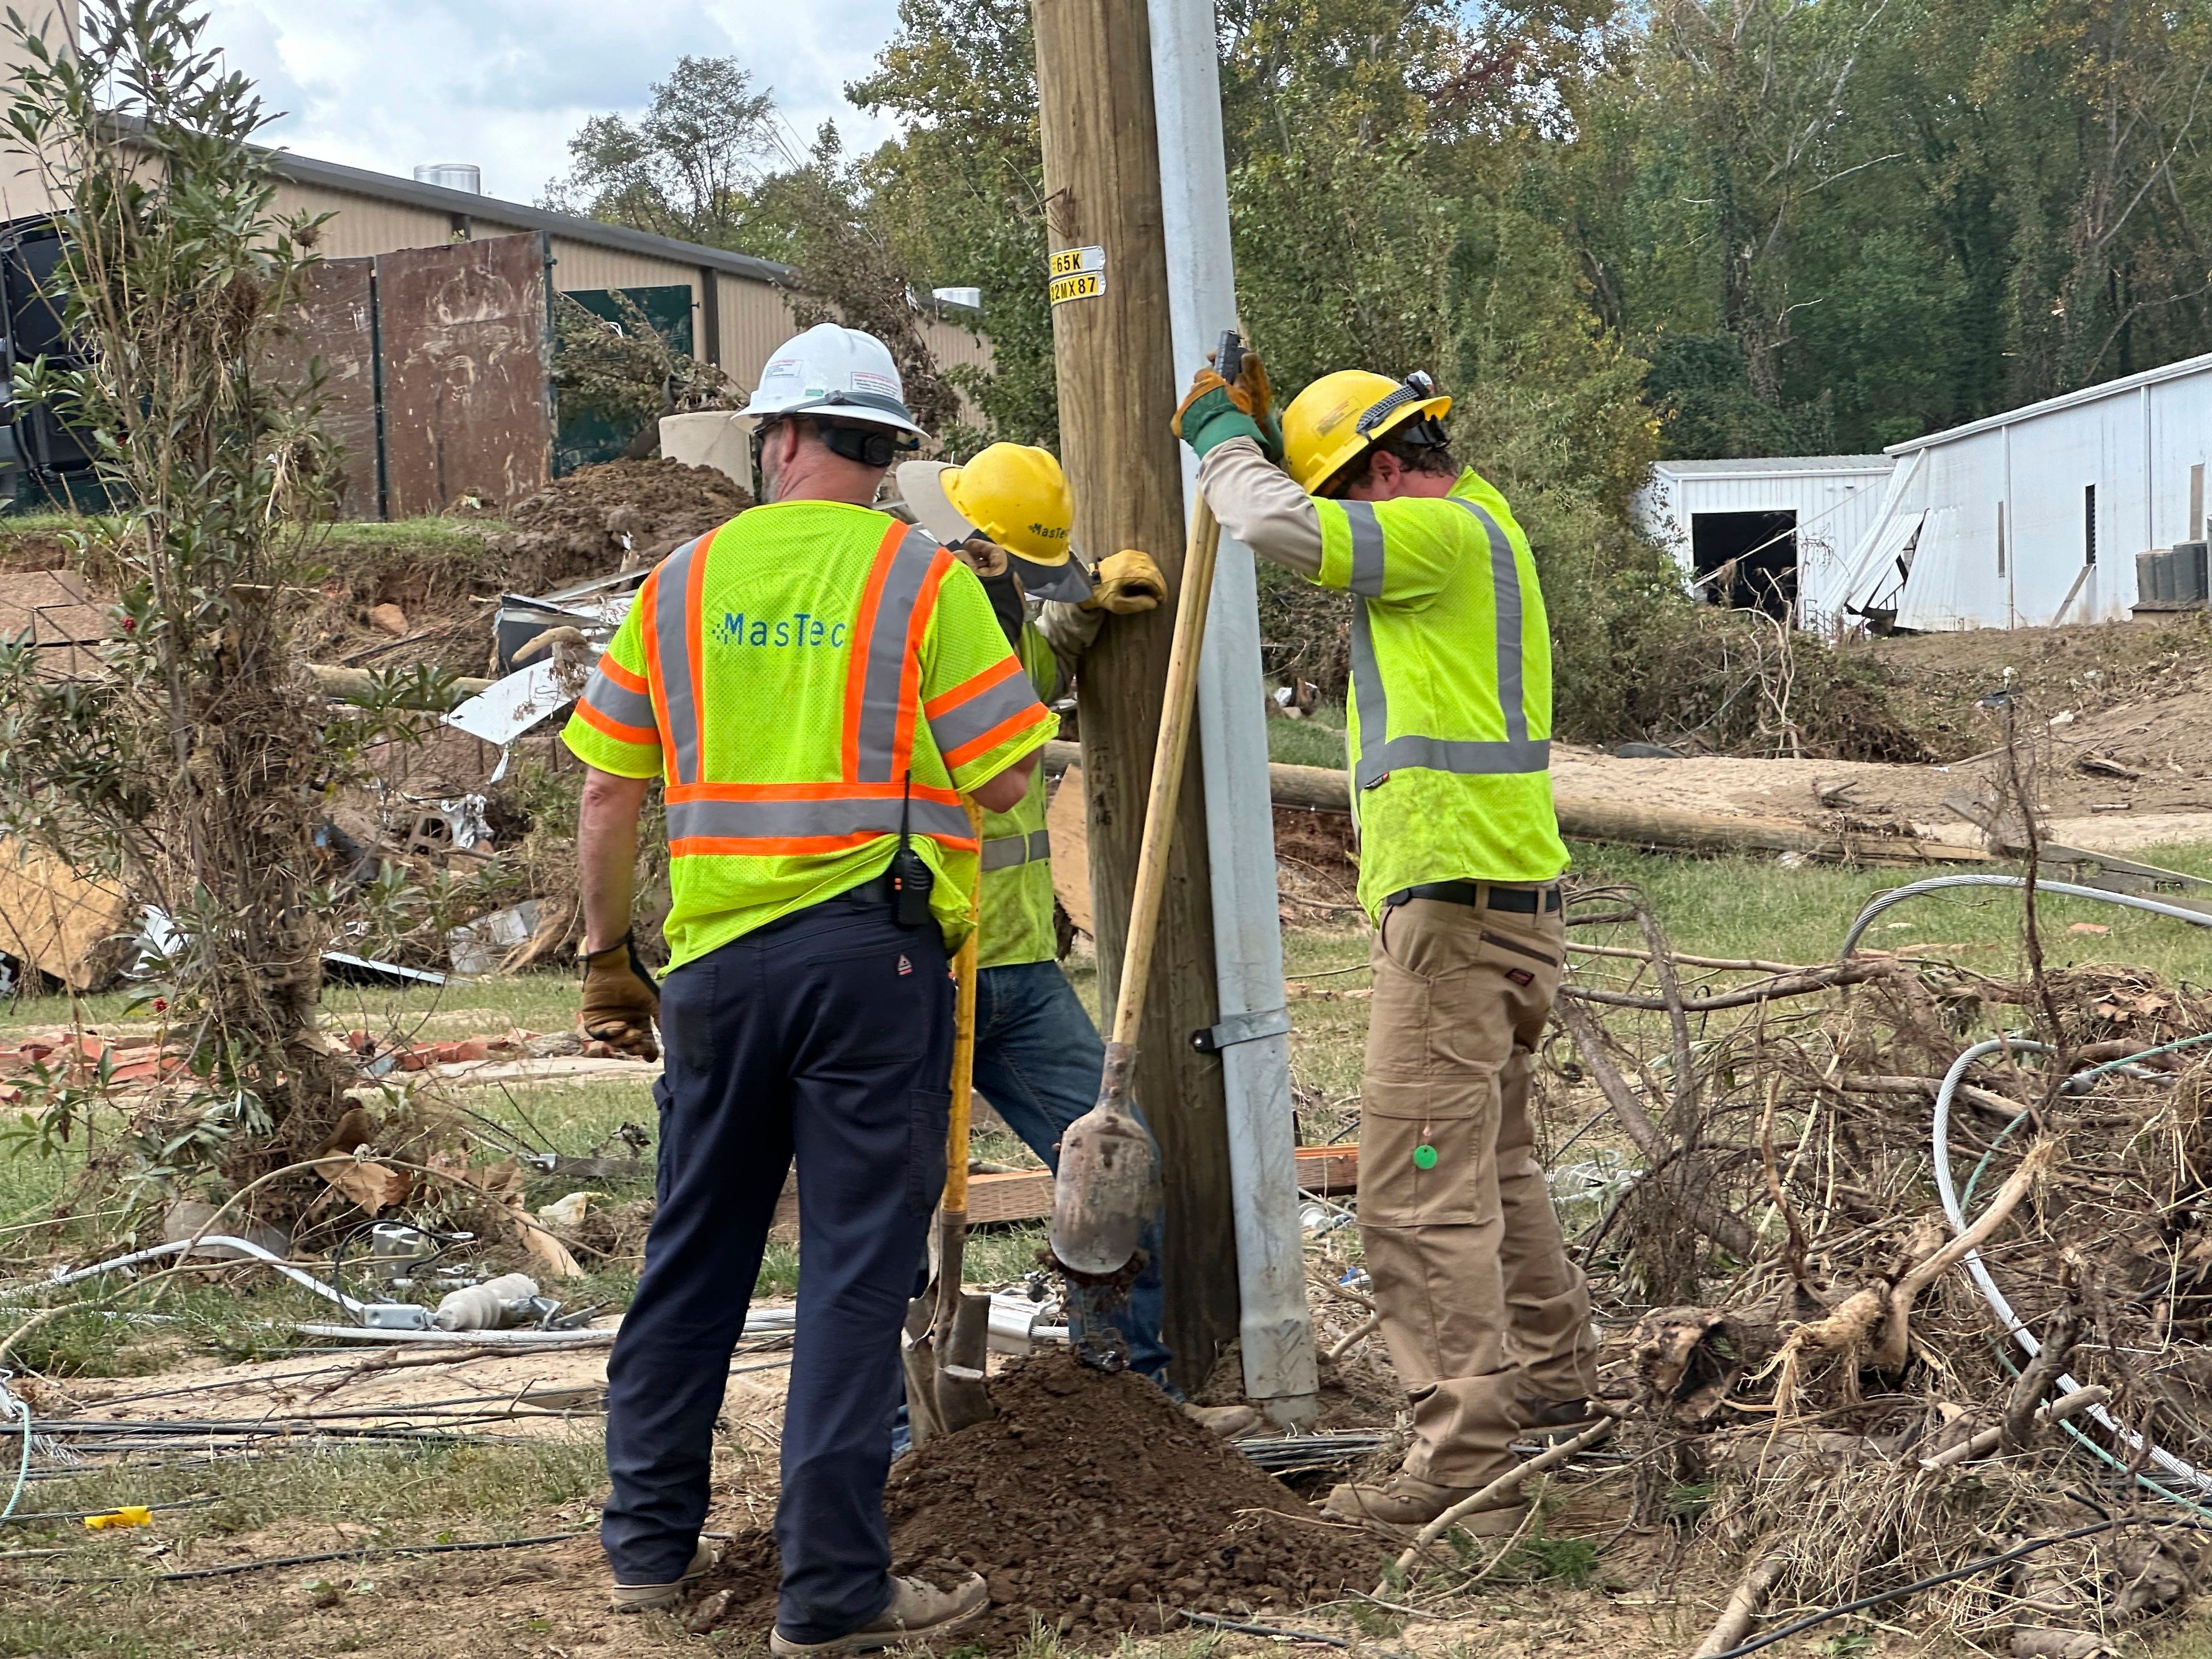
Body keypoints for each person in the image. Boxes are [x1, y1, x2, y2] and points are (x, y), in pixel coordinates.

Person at [565, 323, 1055, 1649]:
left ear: (778, 439)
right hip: (871, 962)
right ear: (886, 450)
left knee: (694, 1254)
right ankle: (833, 1593)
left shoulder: (677, 584)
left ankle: (647, 1554)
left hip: (715, 974)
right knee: (851, 1274)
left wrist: (610, 962)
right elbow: (1007, 775)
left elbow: (610, 791)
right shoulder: (922, 580)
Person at [1172, 357, 1599, 1532]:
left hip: (1456, 922)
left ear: (1388, 471)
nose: (1343, 522)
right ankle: (1554, 1401)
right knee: (1493, 1172)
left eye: (1345, 492)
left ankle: (1466, 1465)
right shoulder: (1484, 526)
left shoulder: (1435, 536)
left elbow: (1268, 521)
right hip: (1504, 914)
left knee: (1414, 1197)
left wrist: (1221, 440)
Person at [895, 448, 1257, 1434]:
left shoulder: (999, 619)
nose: (1000, 581)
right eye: (996, 565)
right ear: (956, 540)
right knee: (891, 1210)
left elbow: (1027, 674)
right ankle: (896, 1429)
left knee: (1117, 1172)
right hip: (915, 970)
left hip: (1014, 973)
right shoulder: (899, 628)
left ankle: (1128, 1398)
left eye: (1015, 571)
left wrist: (1076, 612)